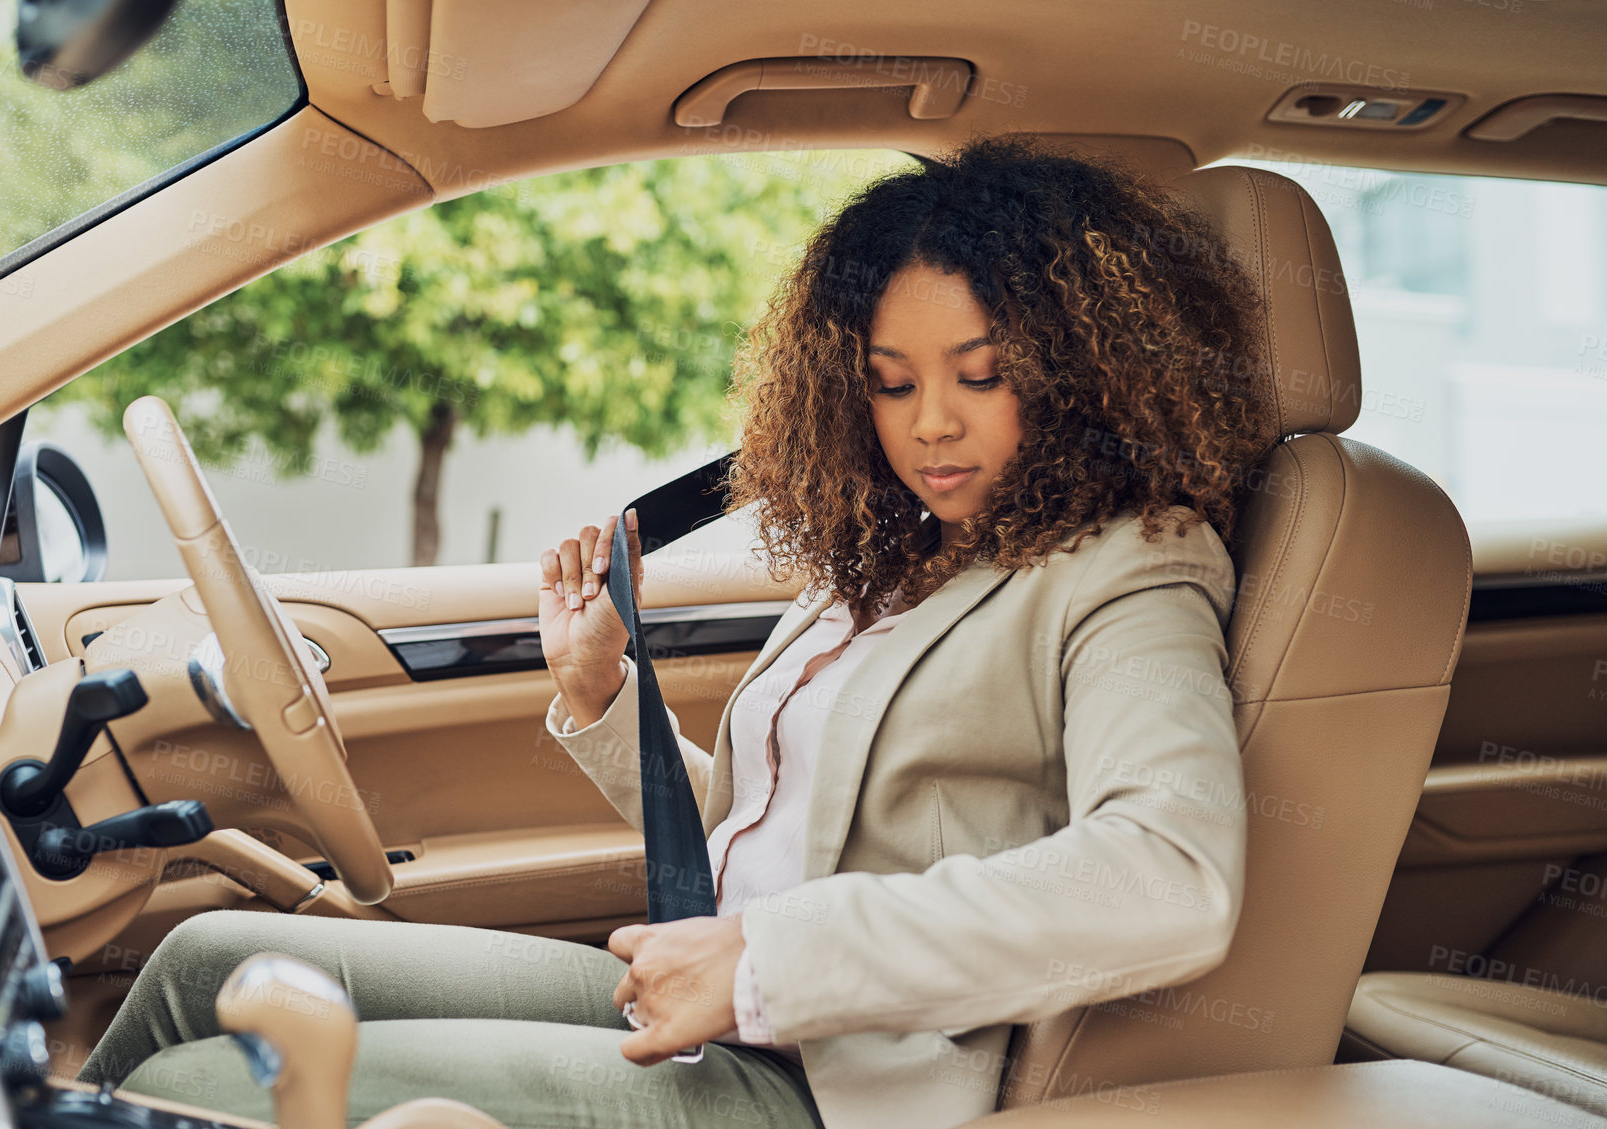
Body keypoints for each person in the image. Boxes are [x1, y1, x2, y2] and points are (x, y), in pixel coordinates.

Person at [80, 133, 1270, 1129]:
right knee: (208, 960)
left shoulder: (1132, 565)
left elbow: (1169, 876)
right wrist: (604, 699)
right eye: (892, 382)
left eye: (983, 374)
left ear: (1076, 373)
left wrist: (768, 959)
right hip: (728, 1004)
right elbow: (770, 836)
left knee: (205, 1083)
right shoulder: (899, 555)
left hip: (837, 1078)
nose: (932, 425)